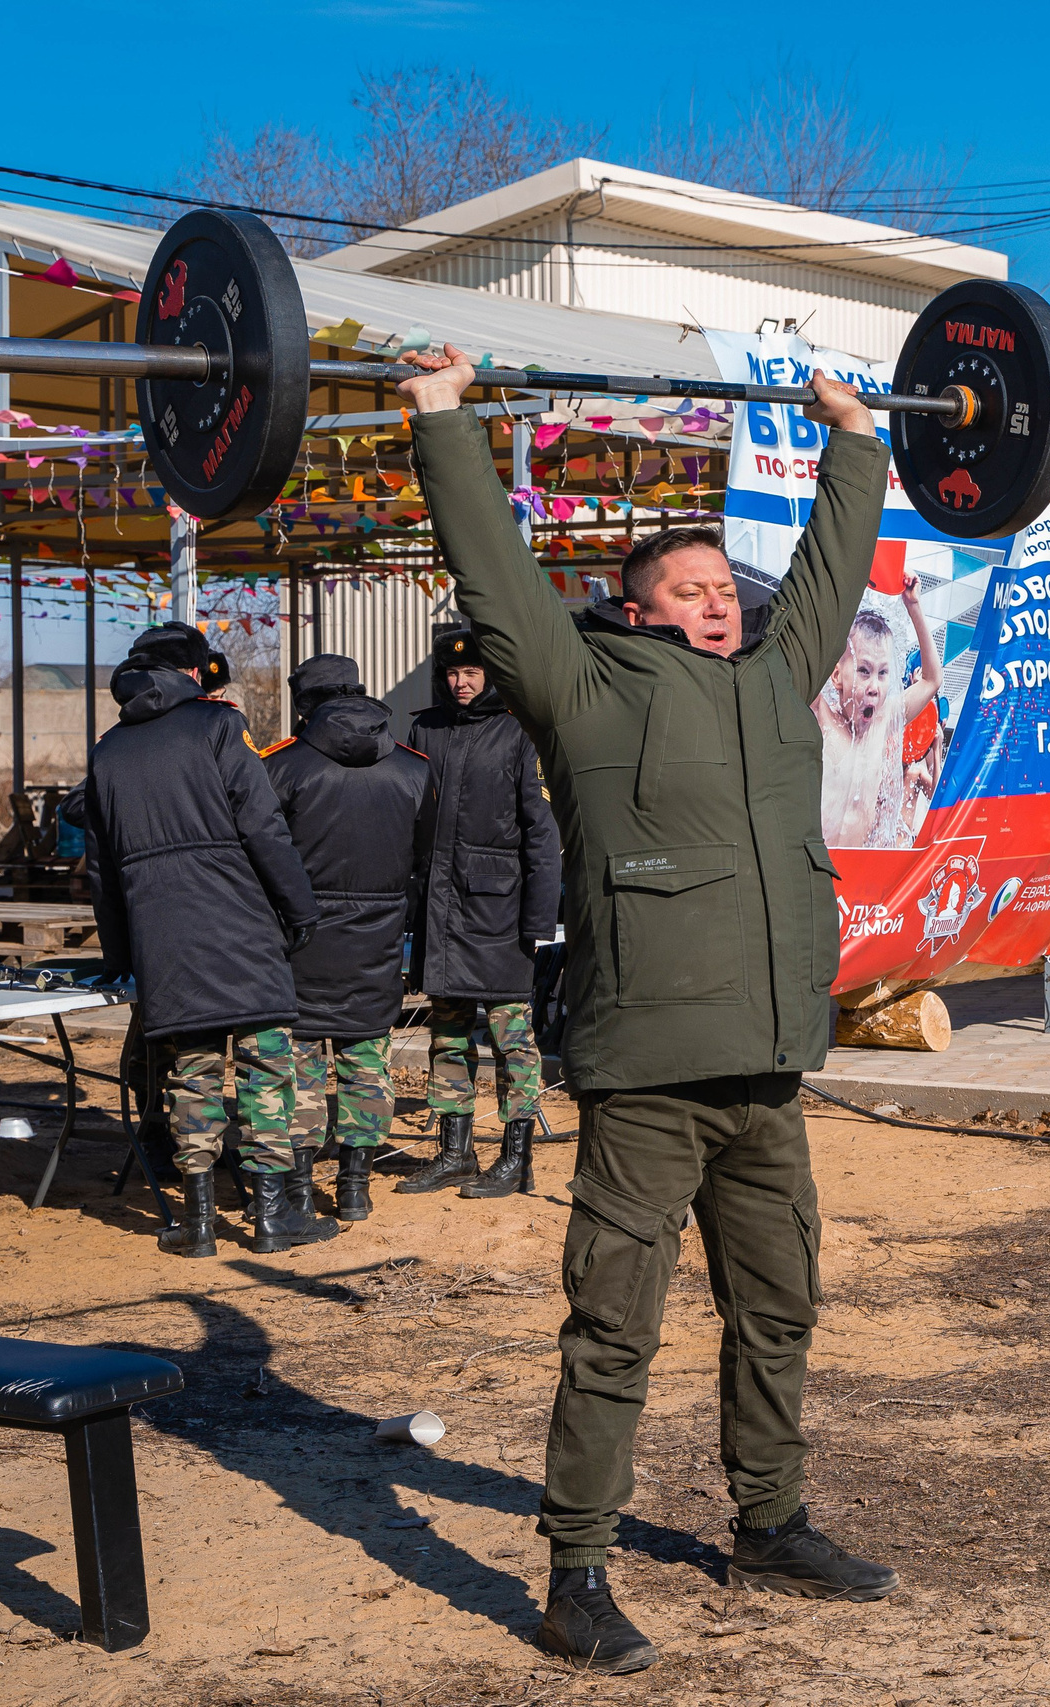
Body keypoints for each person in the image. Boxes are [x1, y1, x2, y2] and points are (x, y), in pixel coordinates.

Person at [403, 345, 897, 1675]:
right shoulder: (583, 687)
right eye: (688, 588)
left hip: (769, 1072)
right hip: (651, 1079)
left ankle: (771, 1522)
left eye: (724, 587)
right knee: (616, 1327)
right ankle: (576, 1572)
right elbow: (496, 576)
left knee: (780, 1306)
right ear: (634, 608)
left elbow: (830, 568)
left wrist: (855, 438)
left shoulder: (774, 678)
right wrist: (443, 420)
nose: (719, 602)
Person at [84, 621, 329, 1257]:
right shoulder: (219, 725)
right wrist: (298, 906)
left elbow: (100, 868)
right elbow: (263, 825)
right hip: (238, 922)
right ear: (195, 673)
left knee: (189, 1073)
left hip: (162, 937)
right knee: (265, 1066)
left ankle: (197, 1225)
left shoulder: (107, 750)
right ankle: (272, 1219)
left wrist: (120, 953)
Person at [261, 653, 429, 1223]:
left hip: (299, 936)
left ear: (304, 705)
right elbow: (427, 855)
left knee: (300, 1066)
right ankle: (355, 1187)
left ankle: (300, 1188)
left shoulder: (279, 766)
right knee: (366, 1061)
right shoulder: (413, 766)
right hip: (379, 935)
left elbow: (260, 854)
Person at [398, 622, 560, 1199]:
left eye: (472, 672)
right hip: (439, 909)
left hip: (499, 912)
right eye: (452, 673)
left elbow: (541, 833)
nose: (461, 683)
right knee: (447, 1034)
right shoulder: (425, 728)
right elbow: (412, 818)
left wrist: (538, 921)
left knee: (512, 1038)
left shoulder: (520, 731)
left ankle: (516, 1158)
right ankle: (455, 1153)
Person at [813, 581, 941, 848]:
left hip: (860, 862)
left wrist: (914, 606)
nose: (874, 686)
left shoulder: (883, 722)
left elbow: (932, 680)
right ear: (836, 676)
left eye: (883, 673)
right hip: (818, 861)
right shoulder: (821, 717)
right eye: (864, 670)